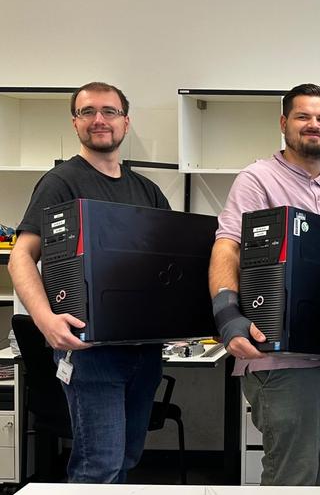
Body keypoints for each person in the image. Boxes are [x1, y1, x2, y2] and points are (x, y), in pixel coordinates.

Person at [8, 82, 170, 483]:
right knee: (99, 467)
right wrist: (46, 321)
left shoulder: (146, 190)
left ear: (125, 122)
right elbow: (21, 256)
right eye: (88, 112)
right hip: (91, 353)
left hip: (144, 351)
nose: (99, 120)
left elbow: (168, 262)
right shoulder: (60, 183)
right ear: (75, 122)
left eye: (109, 111)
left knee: (126, 460)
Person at [209, 83, 320, 486]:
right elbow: (228, 246)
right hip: (283, 360)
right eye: (303, 116)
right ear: (283, 123)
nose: (314, 125)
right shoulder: (257, 179)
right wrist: (227, 316)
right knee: (292, 477)